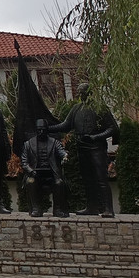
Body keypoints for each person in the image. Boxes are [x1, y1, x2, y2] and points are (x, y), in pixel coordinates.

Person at [49, 83, 118, 217]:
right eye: (79, 92)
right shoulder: (76, 109)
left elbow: (112, 128)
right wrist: (48, 128)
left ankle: (108, 208)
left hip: (96, 147)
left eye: (83, 92)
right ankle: (91, 207)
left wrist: (95, 137)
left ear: (89, 93)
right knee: (87, 178)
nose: (80, 95)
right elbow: (65, 126)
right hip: (81, 147)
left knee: (101, 178)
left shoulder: (100, 108)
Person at [21, 118, 70, 218]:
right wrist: (31, 171)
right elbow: (24, 162)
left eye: (43, 129)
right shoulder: (28, 144)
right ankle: (36, 209)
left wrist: (65, 156)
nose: (41, 132)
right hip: (35, 175)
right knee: (30, 182)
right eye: (39, 130)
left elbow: (61, 152)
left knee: (59, 183)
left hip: (52, 174)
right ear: (36, 130)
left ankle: (57, 209)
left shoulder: (54, 143)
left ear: (47, 129)